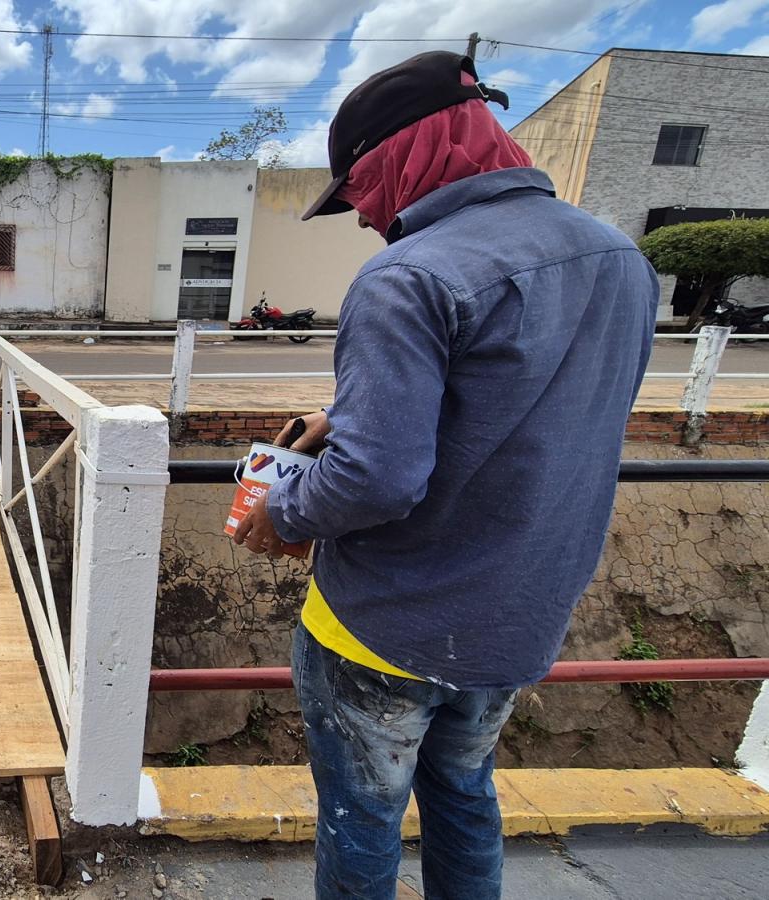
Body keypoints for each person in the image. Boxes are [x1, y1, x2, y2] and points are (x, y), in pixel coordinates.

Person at [228, 51, 658, 899]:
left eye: (358, 192)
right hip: (517, 620)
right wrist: (347, 421)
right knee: (464, 794)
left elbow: (377, 483)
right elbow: (524, 417)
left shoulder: (408, 275)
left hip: (387, 626)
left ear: (401, 156)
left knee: (362, 815)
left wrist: (286, 511)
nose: (360, 219)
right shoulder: (621, 262)